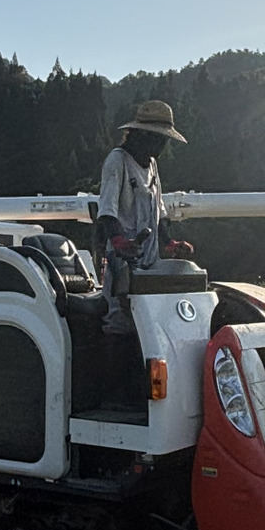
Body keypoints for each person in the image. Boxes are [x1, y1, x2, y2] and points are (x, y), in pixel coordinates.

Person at [95, 100, 194, 405]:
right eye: (158, 139)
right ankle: (112, 395)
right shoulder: (117, 161)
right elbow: (107, 211)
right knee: (119, 322)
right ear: (141, 135)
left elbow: (159, 212)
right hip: (122, 260)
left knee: (146, 323)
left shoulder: (151, 165)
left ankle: (140, 392)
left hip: (149, 262)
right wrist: (118, 241)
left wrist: (169, 243)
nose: (162, 147)